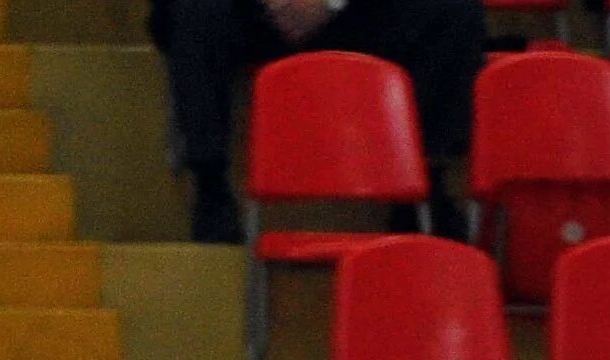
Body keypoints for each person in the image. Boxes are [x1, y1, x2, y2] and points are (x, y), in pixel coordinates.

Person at [149, 0, 485, 244]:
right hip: (247, 13)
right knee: (191, 8)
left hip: (350, 15)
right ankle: (211, 187)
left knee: (453, 9)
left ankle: (423, 180)